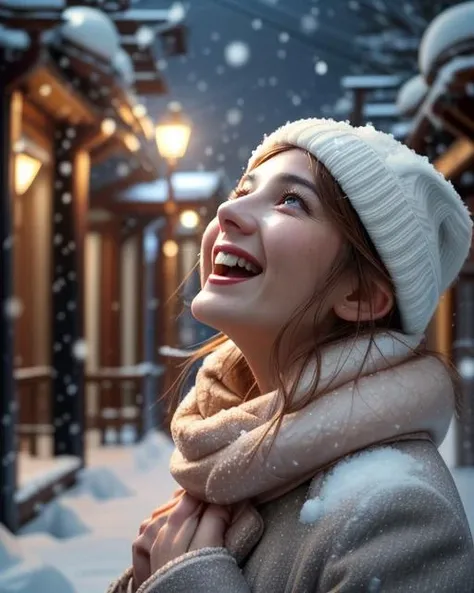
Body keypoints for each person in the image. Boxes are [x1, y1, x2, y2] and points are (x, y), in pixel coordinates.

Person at [107, 118, 474, 593]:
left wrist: (188, 582)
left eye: (291, 201)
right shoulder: (233, 461)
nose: (228, 211)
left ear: (361, 295)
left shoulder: (399, 514)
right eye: (243, 189)